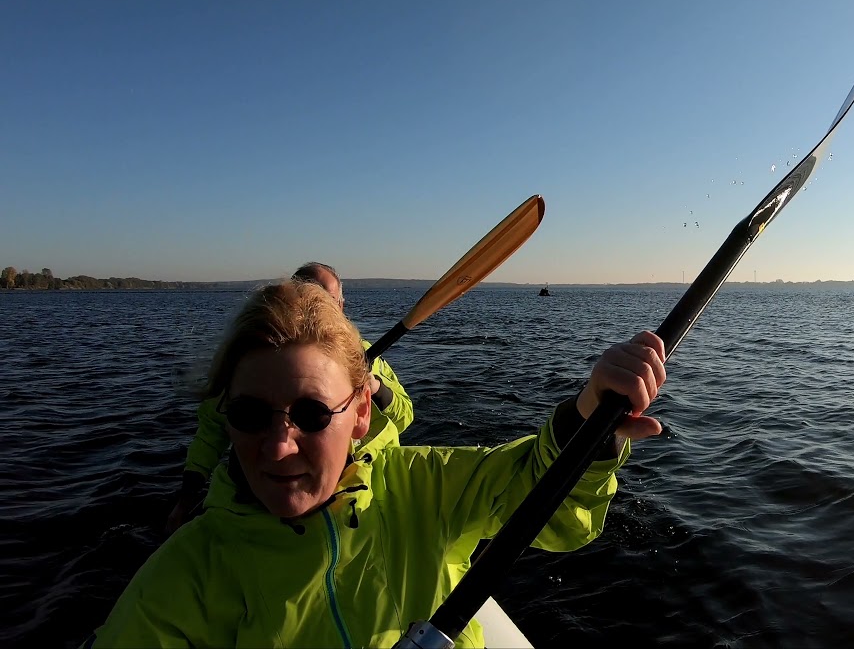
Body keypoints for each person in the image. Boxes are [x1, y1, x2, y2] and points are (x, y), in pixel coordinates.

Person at [88, 281, 664, 648]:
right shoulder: (185, 577)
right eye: (248, 414)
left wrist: (588, 419)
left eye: (312, 414)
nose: (278, 446)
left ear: (360, 412)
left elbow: (549, 507)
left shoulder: (423, 490)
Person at [165, 262, 414, 534]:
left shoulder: (369, 359)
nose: (316, 307)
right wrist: (185, 500)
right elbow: (211, 432)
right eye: (308, 296)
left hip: (365, 502)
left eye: (325, 301)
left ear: (341, 307)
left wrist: (376, 386)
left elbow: (404, 416)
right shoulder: (253, 361)